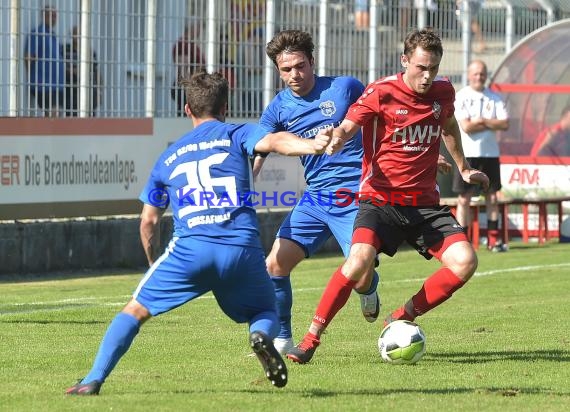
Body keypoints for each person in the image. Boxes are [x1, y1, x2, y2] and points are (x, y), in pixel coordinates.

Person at [65, 70, 333, 395]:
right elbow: (274, 141)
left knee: (134, 311)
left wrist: (154, 262)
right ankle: (261, 336)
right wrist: (312, 146)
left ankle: (93, 379)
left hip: (189, 252)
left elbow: (148, 221)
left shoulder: (167, 157)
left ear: (187, 109)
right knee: (264, 312)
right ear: (226, 106)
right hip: (241, 249)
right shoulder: (237, 133)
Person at [286, 28, 490, 364]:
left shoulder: (442, 93)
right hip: (379, 201)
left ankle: (400, 316)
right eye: (421, 67)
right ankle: (310, 339)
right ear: (405, 61)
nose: (427, 76)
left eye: (434, 68)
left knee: (465, 261)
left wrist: (463, 168)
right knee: (357, 262)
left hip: (423, 205)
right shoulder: (381, 92)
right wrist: (335, 139)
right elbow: (349, 125)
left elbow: (449, 126)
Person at [257, 30, 380, 355]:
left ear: (312, 62)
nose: (294, 75)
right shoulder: (278, 109)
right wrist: (243, 185)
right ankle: (282, 338)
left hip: (355, 196)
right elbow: (260, 149)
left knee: (360, 272)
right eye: (286, 70)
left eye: (300, 66)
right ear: (278, 71)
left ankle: (369, 289)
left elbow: (381, 119)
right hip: (316, 198)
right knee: (275, 264)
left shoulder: (345, 88)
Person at [453, 59, 509, 252]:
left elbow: (504, 124)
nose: (479, 77)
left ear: (486, 75)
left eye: (482, 73)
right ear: (469, 75)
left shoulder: (494, 97)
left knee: (492, 198)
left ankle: (494, 241)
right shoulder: (461, 96)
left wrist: (482, 120)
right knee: (464, 199)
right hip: (468, 155)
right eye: (475, 74)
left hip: (490, 154)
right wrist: (489, 122)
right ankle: (463, 242)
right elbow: (466, 126)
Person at [23, 5, 65, 117]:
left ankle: (52, 134)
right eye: (51, 15)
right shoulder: (37, 33)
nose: (54, 18)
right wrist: (33, 79)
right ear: (44, 16)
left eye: (55, 16)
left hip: (57, 84)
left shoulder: (52, 35)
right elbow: (28, 57)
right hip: (44, 84)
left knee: (56, 116)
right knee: (53, 115)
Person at [62, 26, 101, 117]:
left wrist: (99, 91)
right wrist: (74, 71)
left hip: (89, 92)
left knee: (90, 118)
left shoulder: (90, 52)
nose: (78, 36)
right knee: (72, 118)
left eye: (80, 34)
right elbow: (60, 67)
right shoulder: (65, 50)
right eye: (76, 34)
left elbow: (96, 73)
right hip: (70, 91)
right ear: (71, 35)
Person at [171, 21, 206, 116]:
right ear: (192, 28)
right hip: (186, 87)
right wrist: (188, 87)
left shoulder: (190, 44)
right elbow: (183, 67)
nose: (200, 31)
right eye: (199, 27)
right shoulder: (184, 44)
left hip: (192, 86)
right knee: (185, 114)